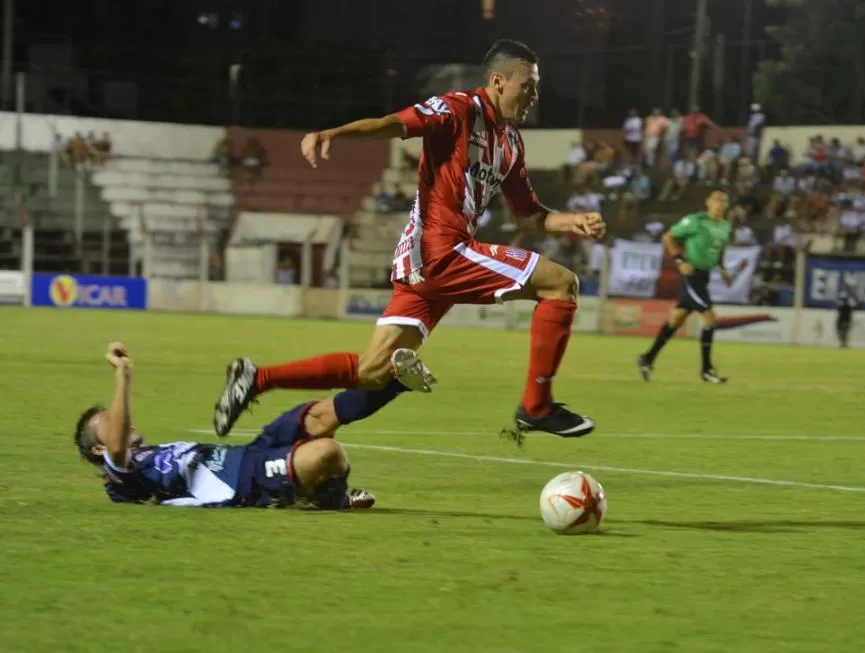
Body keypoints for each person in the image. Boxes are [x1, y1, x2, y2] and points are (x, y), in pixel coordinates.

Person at [213, 39, 605, 442]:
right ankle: (536, 407)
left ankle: (256, 378)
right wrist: (336, 133)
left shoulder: (510, 143)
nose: (534, 95)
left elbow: (530, 216)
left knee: (373, 371)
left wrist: (573, 221)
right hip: (440, 251)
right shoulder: (458, 109)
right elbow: (397, 124)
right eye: (529, 85)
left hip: (434, 263)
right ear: (498, 81)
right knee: (561, 284)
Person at [76, 343, 375, 509]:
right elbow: (117, 448)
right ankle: (333, 499)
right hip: (247, 483)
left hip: (249, 452)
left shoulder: (149, 454)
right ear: (99, 448)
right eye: (109, 421)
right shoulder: (122, 478)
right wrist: (123, 375)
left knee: (323, 412)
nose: (120, 420)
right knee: (327, 453)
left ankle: (399, 380)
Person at [637, 189, 740, 383]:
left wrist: (724, 269)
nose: (720, 205)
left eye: (723, 202)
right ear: (708, 202)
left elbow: (720, 251)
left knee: (676, 319)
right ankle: (707, 370)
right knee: (710, 319)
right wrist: (679, 260)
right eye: (716, 201)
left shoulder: (725, 227)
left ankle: (647, 357)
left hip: (704, 276)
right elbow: (669, 236)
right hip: (691, 274)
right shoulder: (696, 221)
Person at [835, 279, 859, 348]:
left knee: (844, 330)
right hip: (843, 314)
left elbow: (856, 305)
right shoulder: (843, 294)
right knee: (840, 330)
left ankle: (844, 343)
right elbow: (838, 304)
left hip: (846, 314)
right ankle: (843, 342)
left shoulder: (850, 295)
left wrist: (850, 304)